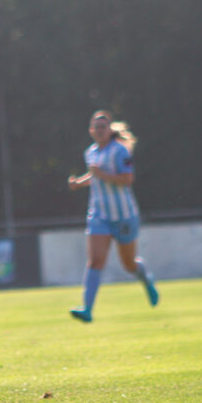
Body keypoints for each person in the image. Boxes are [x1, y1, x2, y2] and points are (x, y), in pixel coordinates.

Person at [66, 110, 158, 323]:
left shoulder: (120, 151)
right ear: (91, 131)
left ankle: (146, 279)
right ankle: (87, 309)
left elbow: (127, 179)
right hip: (99, 215)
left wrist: (102, 175)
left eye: (103, 127)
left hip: (124, 215)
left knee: (129, 265)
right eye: (96, 127)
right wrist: (79, 183)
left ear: (109, 130)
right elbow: (95, 176)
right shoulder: (89, 152)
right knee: (95, 260)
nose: (99, 130)